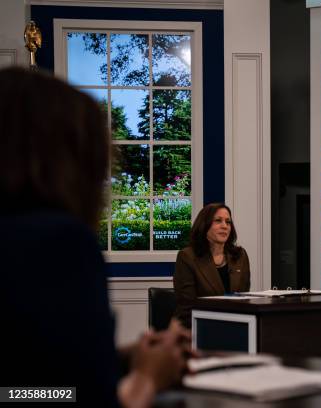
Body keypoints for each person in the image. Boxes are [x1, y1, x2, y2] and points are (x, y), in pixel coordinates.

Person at [0, 67, 190, 408]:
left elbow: (22, 386)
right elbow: (67, 399)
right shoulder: (56, 243)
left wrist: (121, 358)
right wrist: (148, 378)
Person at [173, 203, 250, 327]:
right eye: (218, 221)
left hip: (236, 325)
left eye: (228, 222)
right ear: (204, 225)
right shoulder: (187, 257)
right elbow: (187, 307)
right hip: (198, 327)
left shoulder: (240, 255)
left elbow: (245, 299)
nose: (224, 226)